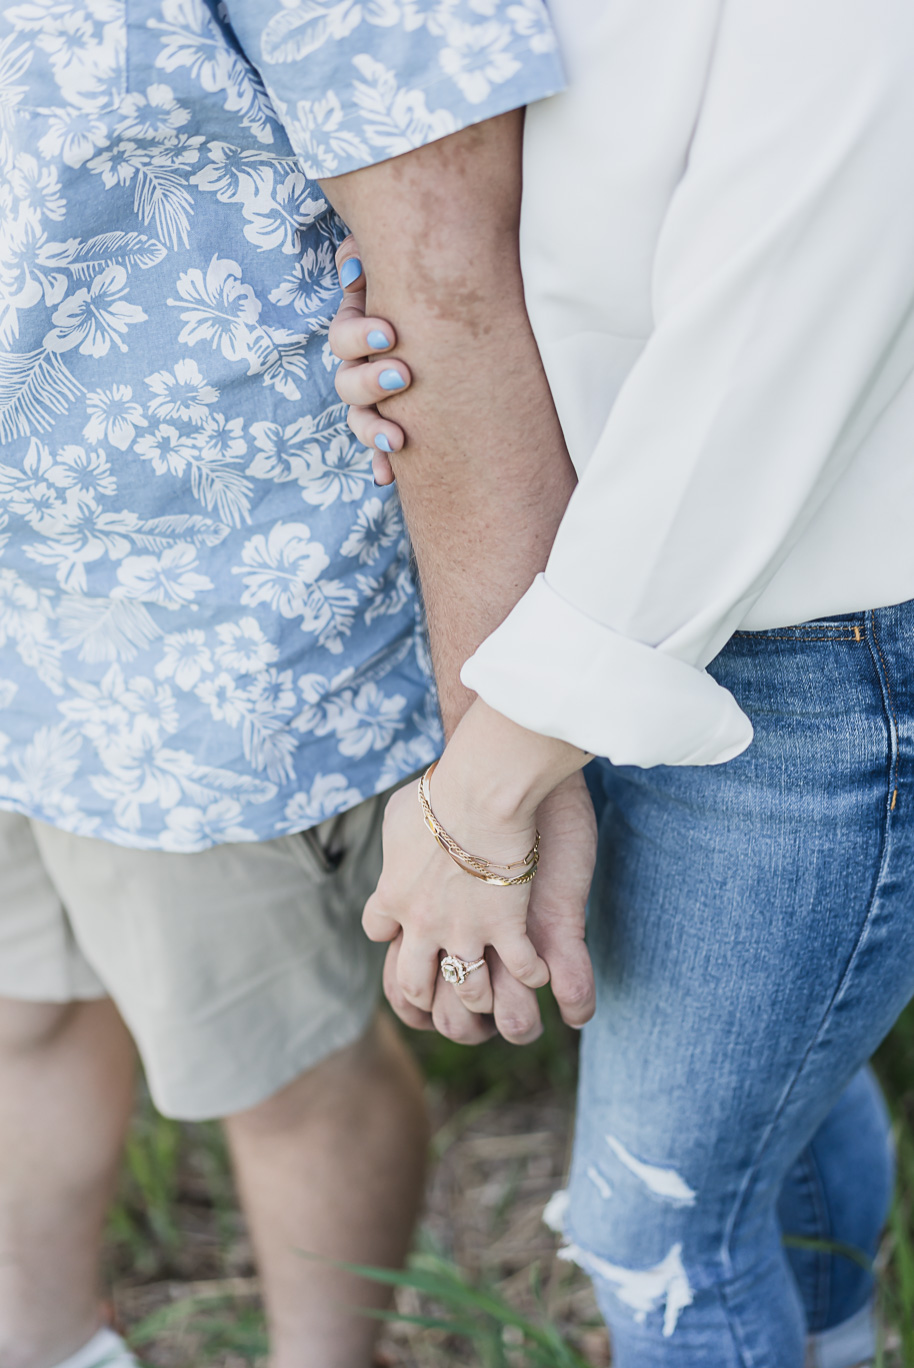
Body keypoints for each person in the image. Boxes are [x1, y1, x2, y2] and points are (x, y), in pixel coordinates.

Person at [316, 0, 914, 1363]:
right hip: (621, 599)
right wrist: (408, 360)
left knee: (657, 1236)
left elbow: (770, 350)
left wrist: (474, 798)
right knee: (782, 1112)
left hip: (809, 655)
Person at [0, 4, 587, 1367]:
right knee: (21, 1010)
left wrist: (503, 744)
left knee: (276, 1068)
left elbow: (452, 277)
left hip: (202, 632)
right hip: (17, 602)